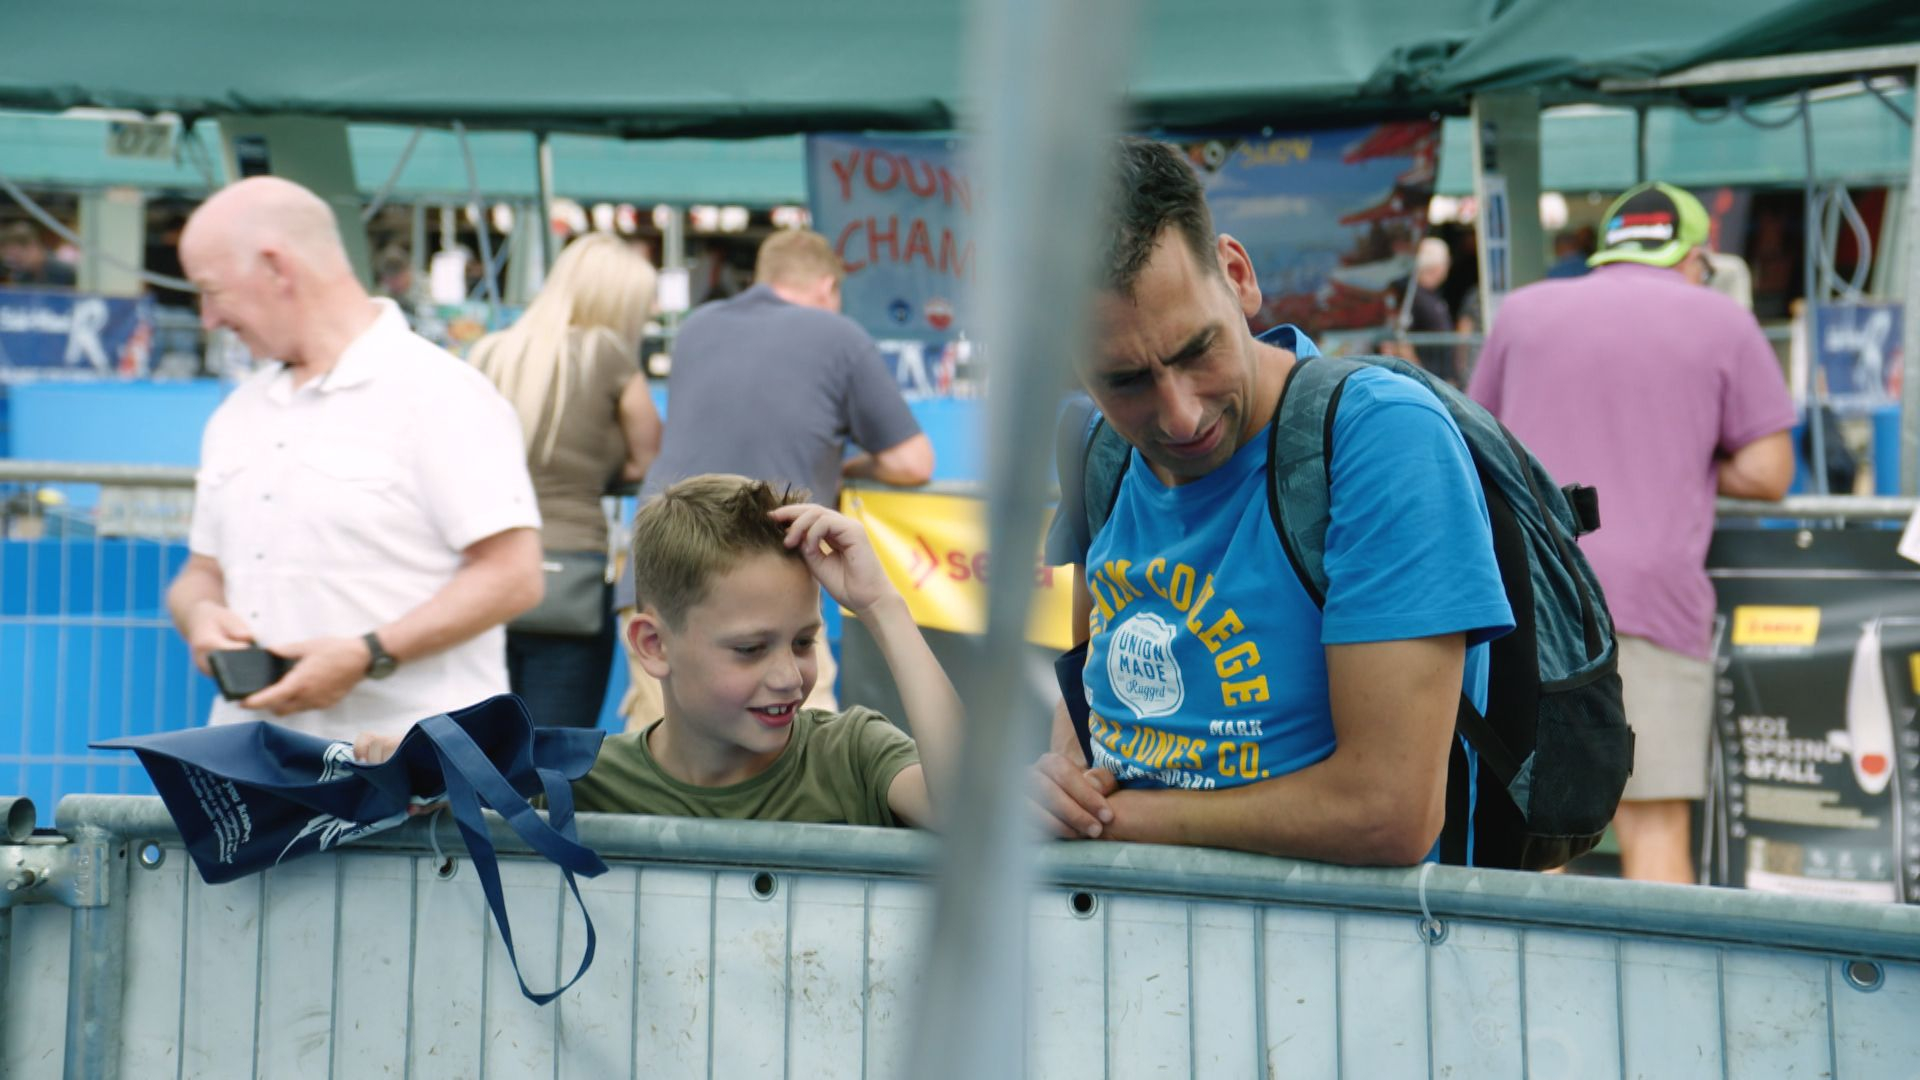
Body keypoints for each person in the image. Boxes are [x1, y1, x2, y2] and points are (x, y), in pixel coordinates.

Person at [1034, 138, 1513, 866]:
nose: (1181, 416)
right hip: (1127, 951)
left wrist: (1119, 821)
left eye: (1198, 351)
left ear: (1238, 275)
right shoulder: (1094, 447)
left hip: (1340, 963)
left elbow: (1389, 811)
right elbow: (1090, 697)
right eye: (1125, 379)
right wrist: (1065, 784)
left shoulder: (1376, 437)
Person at [1468, 181, 1795, 884]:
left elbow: (1479, 445)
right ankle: (1659, 996)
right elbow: (1771, 470)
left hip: (1530, 599)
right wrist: (1697, 452)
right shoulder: (1721, 320)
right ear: (1695, 256)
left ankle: (1523, 991)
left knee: (1536, 825)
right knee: (1652, 824)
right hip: (1653, 601)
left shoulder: (1521, 313)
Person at [166, 176, 545, 741]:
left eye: (212, 289)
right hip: (254, 768)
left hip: (407, 782)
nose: (209, 317)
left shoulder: (441, 395)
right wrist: (200, 616)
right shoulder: (239, 412)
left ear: (277, 267)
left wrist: (369, 654)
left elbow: (514, 575)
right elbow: (201, 573)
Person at [357, 475, 963, 827]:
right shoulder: (574, 783)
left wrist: (881, 604)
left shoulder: (852, 754)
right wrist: (407, 776)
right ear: (653, 645)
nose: (788, 676)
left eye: (804, 642)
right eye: (750, 649)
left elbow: (971, 812)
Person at [618, 229, 934, 726]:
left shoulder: (697, 328)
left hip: (659, 573)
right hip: (769, 595)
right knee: (802, 767)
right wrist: (847, 466)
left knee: (665, 767)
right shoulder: (839, 336)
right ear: (828, 287)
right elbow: (912, 462)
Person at [469, 234, 664, 729]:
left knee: (476, 749)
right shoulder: (608, 353)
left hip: (480, 575)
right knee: (549, 757)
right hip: (569, 578)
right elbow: (649, 457)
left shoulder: (489, 353)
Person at [1389, 236, 1458, 385]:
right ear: (1438, 266)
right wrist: (1422, 379)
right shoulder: (1410, 295)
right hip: (1427, 382)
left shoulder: (1429, 295)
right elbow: (1400, 338)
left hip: (1439, 379)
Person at [0, 222, 77, 288]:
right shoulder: (22, 276)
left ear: (32, 247)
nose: (16, 262)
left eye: (18, 256)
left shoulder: (65, 272)